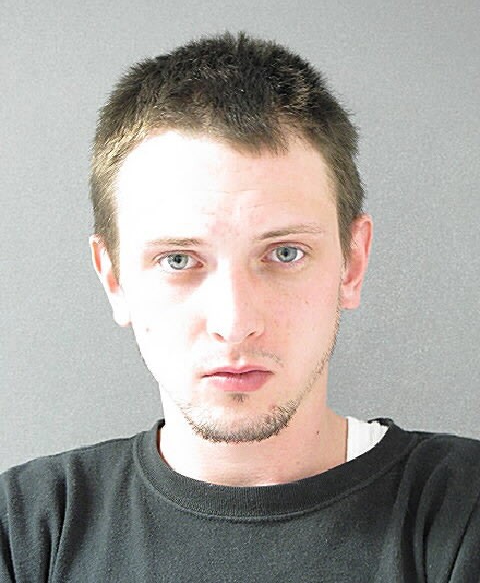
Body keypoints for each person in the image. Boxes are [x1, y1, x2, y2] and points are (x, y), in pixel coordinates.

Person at [1, 31, 479, 582]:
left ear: (351, 263)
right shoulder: (26, 532)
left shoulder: (464, 512)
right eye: (179, 260)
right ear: (114, 279)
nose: (235, 324)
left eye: (284, 253)